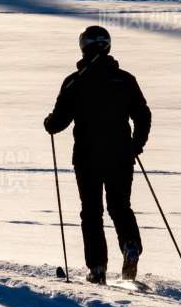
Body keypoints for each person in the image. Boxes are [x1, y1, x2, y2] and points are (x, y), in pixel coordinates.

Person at [43, 24, 151, 283]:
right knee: (120, 206)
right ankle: (130, 246)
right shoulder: (125, 79)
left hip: (87, 157)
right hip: (121, 157)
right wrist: (135, 145)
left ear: (83, 47)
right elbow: (143, 115)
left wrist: (48, 123)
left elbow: (58, 123)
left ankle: (97, 269)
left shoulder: (75, 82)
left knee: (91, 211)